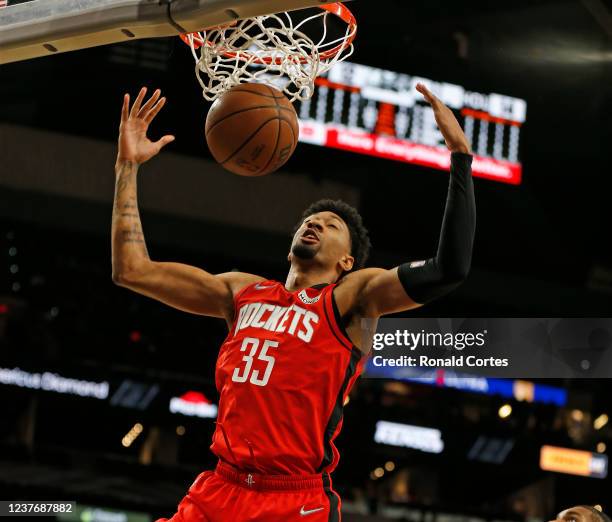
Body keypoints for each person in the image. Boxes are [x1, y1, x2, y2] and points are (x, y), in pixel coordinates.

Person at [111, 83, 476, 521]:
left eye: (331, 225)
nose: (317, 224)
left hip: (292, 499)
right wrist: (127, 166)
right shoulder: (240, 292)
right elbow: (131, 270)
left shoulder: (351, 298)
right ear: (290, 247)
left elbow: (448, 269)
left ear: (347, 260)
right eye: (311, 220)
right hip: (219, 488)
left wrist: (459, 157)